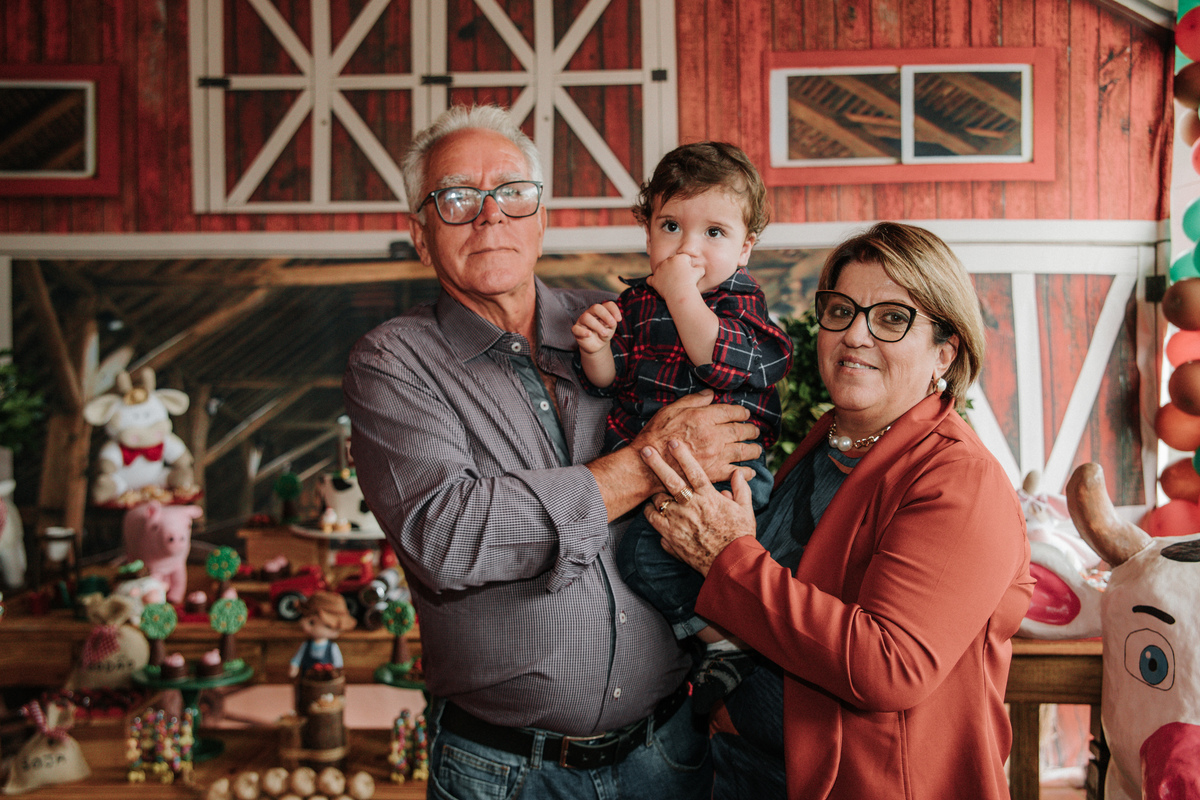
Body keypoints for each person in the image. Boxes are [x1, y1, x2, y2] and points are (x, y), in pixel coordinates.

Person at [343, 104, 763, 800]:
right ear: (421, 236)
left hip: (670, 750)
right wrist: (641, 464)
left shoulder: (622, 324)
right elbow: (448, 536)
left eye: (512, 193)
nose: (490, 217)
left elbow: (734, 410)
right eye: (456, 199)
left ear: (542, 218)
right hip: (504, 771)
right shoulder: (394, 363)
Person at [637, 222, 1035, 799]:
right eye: (842, 310)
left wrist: (728, 556)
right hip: (747, 768)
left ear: (944, 353)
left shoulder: (958, 478)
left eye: (893, 318)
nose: (856, 335)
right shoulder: (830, 443)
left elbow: (887, 667)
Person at [572, 141, 793, 713]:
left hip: (727, 472)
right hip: (659, 468)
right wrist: (596, 347)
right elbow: (611, 381)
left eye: (713, 233)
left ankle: (725, 643)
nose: (689, 248)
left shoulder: (741, 303)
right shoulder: (638, 301)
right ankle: (720, 642)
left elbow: (716, 359)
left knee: (646, 556)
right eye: (671, 225)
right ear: (647, 233)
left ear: (745, 248)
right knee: (644, 556)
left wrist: (680, 293)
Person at [288, 590, 357, 678]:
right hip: (307, 680)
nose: (335, 631)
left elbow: (338, 664)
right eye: (329, 626)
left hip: (327, 683)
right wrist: (294, 667)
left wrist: (337, 673)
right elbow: (297, 659)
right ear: (310, 621)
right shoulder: (306, 645)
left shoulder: (332, 647)